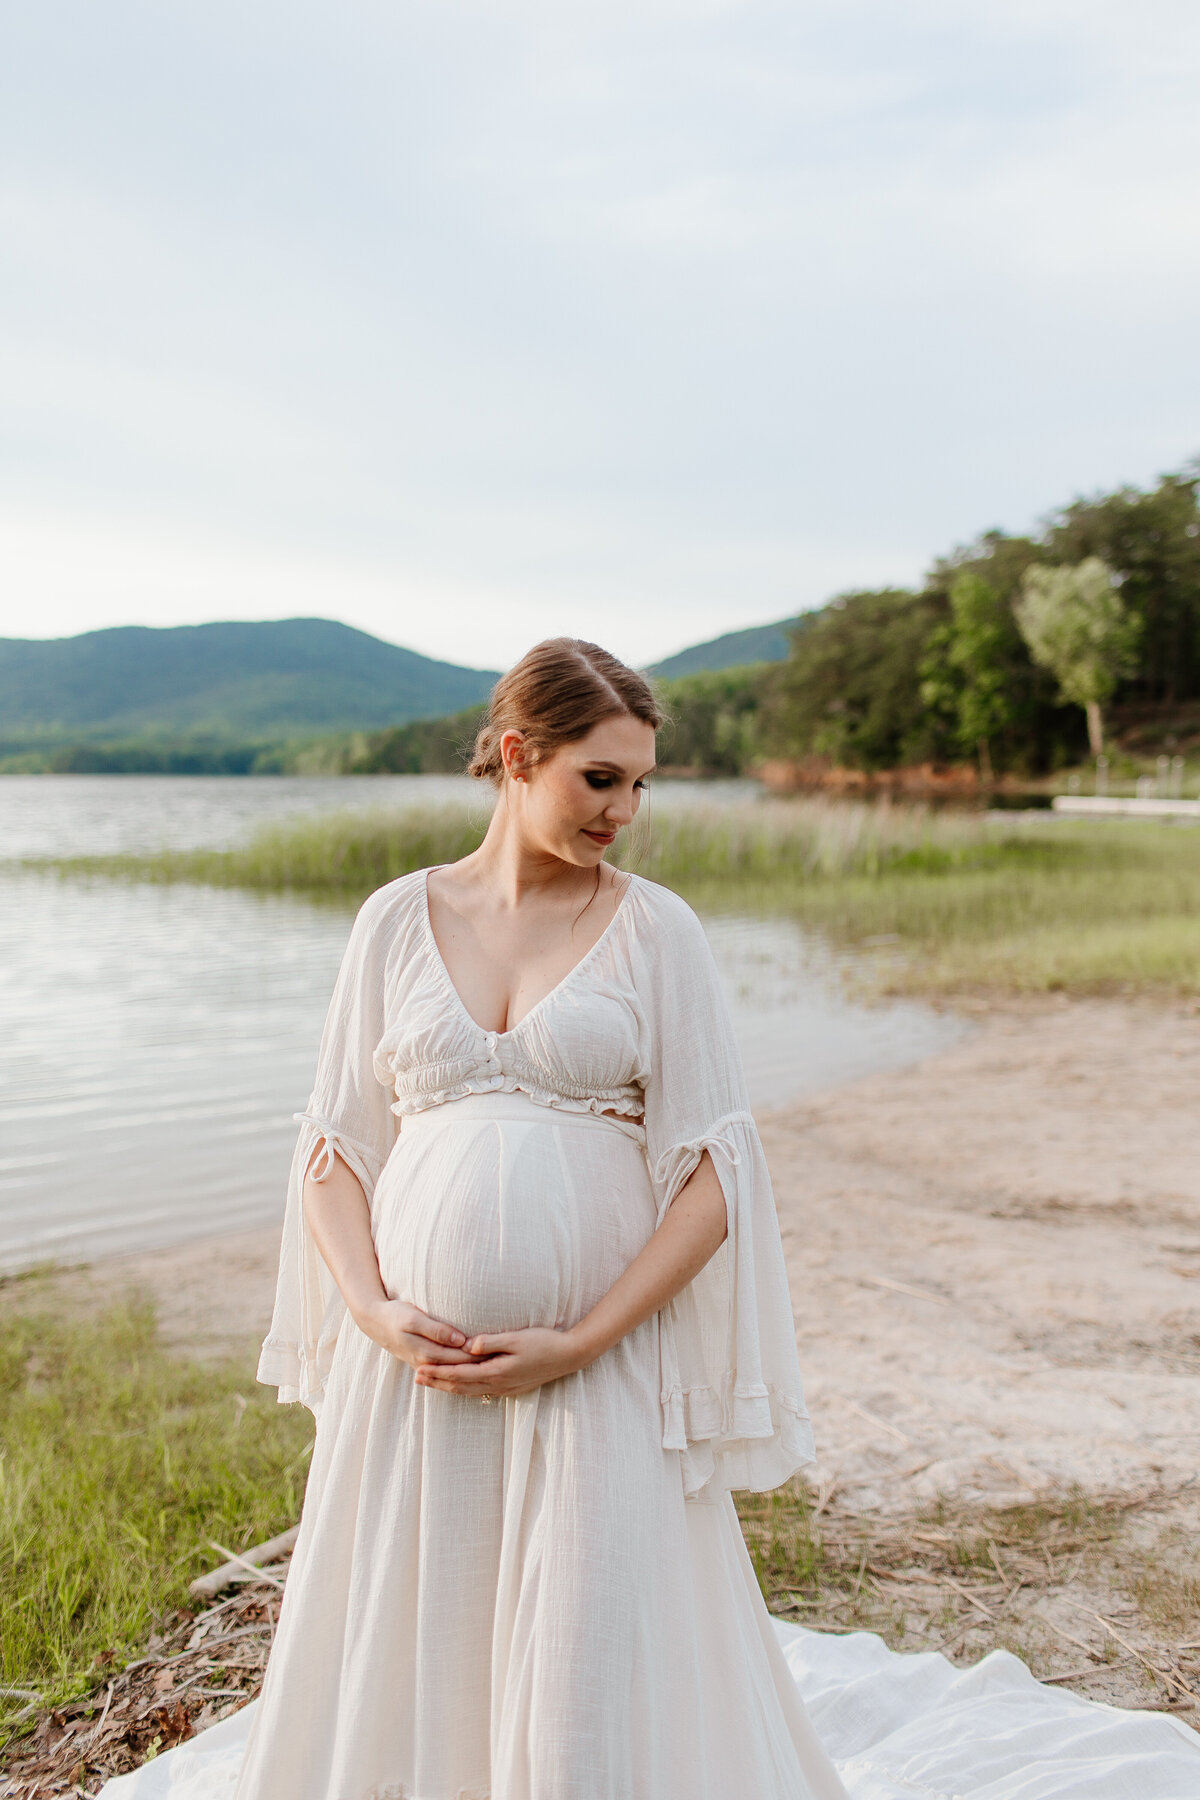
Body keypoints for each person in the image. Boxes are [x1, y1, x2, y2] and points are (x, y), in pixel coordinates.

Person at [237, 638, 848, 1800]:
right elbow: (333, 1151)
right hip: (413, 1376)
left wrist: (581, 1338)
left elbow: (717, 1179)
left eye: (641, 783)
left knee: (578, 1685)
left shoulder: (657, 931)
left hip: (592, 1369)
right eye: (600, 778)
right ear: (519, 756)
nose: (626, 809)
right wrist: (370, 1308)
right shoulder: (392, 920)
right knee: (419, 1647)